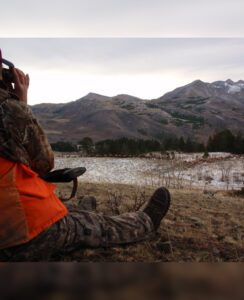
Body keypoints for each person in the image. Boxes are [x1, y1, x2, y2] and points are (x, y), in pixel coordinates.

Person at [0, 50, 171, 261]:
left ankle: (78, 210)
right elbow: (43, 164)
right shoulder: (9, 111)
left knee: (66, 212)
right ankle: (145, 222)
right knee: (95, 227)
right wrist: (21, 103)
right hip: (18, 237)